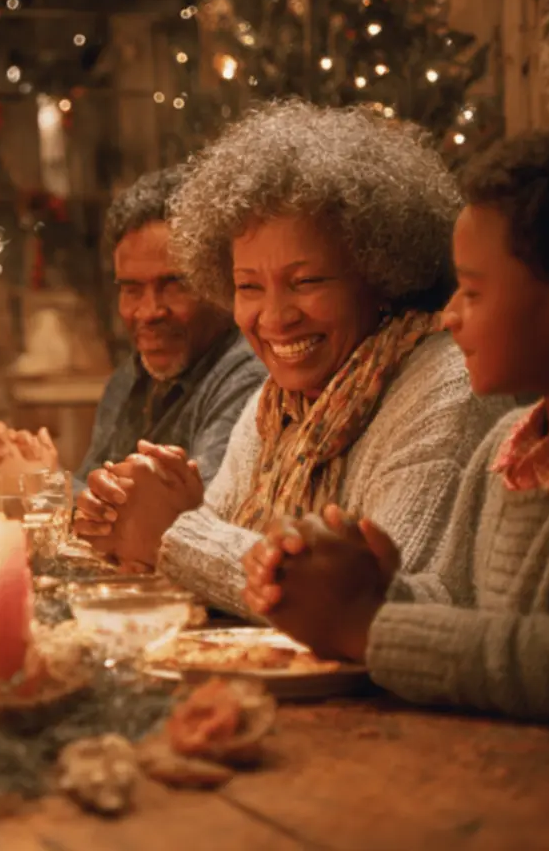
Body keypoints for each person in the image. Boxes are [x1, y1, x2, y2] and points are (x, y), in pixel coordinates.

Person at [103, 101, 512, 608]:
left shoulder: (446, 388)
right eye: (248, 286)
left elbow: (378, 612)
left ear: (381, 274)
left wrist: (176, 535)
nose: (274, 317)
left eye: (307, 281)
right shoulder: (273, 407)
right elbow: (206, 553)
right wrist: (145, 514)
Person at [243, 129, 549, 720]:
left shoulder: (456, 405)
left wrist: (365, 624)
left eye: (471, 292)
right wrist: (369, 586)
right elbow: (469, 614)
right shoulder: (508, 447)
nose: (449, 316)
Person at [0, 167, 265, 554]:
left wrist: (39, 487)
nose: (149, 311)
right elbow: (92, 519)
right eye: (131, 289)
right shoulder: (129, 377)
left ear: (220, 283)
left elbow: (180, 531)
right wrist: (8, 468)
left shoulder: (250, 378)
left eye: (174, 285)